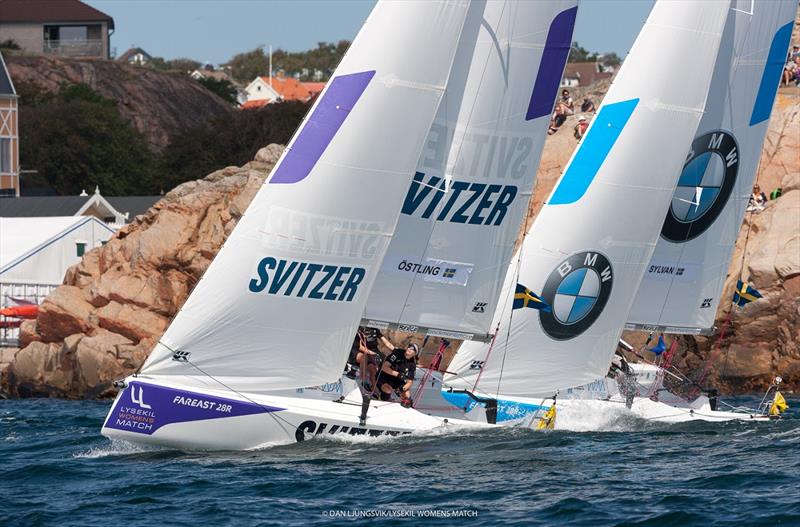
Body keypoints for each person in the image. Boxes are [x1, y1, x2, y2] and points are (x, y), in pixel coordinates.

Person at [376, 339, 418, 407]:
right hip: (385, 376)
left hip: (397, 380)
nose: (409, 349)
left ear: (414, 353)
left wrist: (402, 389)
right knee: (388, 390)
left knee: (407, 395)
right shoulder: (398, 353)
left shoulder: (412, 364)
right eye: (409, 346)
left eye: (413, 349)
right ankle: (382, 398)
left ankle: (407, 406)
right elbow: (384, 367)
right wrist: (398, 374)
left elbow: (410, 381)